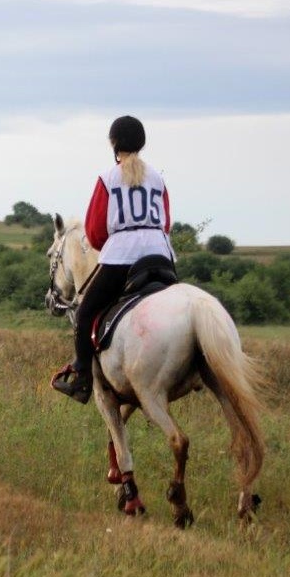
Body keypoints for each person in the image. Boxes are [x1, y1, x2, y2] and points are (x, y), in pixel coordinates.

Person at [51, 116, 174, 403]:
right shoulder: (158, 178)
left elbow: (94, 230)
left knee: (84, 314)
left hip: (123, 258)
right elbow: (166, 222)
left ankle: (82, 377)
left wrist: (115, 244)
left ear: (113, 143)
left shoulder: (107, 179)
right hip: (161, 255)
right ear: (142, 144)